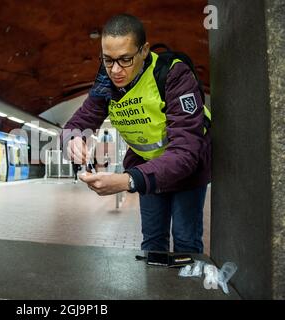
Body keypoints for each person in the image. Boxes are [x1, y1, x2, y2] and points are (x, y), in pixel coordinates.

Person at [62, 14, 211, 253]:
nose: (115, 70)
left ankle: (186, 289)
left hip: (187, 171)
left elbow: (186, 152)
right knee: (152, 241)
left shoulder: (174, 75)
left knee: (185, 240)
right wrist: (73, 139)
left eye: (125, 59)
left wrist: (128, 180)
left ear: (144, 51)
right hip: (147, 166)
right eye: (107, 60)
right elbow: (79, 121)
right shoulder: (105, 84)